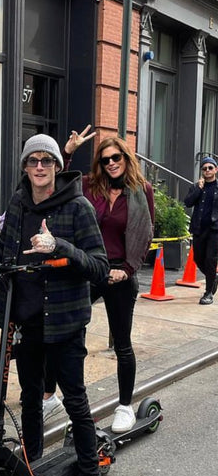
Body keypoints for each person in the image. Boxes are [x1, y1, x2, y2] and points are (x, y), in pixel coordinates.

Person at [0, 133, 110, 476]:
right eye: (32, 161)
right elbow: (5, 251)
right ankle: (35, 464)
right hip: (25, 321)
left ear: (58, 165)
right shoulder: (19, 203)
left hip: (64, 324)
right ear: (25, 167)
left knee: (75, 401)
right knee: (28, 398)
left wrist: (58, 245)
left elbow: (98, 266)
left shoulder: (78, 207)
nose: (39, 167)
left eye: (46, 160)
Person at [59, 134, 154, 435]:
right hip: (90, 269)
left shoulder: (142, 191)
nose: (112, 163)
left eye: (117, 158)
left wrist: (126, 270)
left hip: (121, 274)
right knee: (66, 331)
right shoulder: (90, 186)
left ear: (126, 158)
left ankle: (125, 405)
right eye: (105, 159)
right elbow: (60, 187)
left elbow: (145, 232)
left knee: (122, 344)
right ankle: (52, 396)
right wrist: (68, 153)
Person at [184, 156, 218, 305]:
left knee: (210, 259)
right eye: (204, 168)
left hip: (215, 230)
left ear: (216, 169)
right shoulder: (196, 186)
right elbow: (188, 202)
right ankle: (213, 278)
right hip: (198, 229)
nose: (207, 170)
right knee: (198, 259)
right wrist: (199, 188)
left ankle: (208, 293)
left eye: (210, 168)